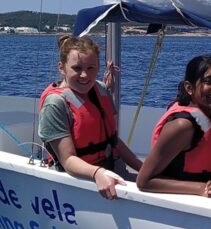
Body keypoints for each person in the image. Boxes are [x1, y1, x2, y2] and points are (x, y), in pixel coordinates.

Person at [38, 34, 142, 201]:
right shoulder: (55, 104)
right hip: (79, 181)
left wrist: (141, 168)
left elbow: (114, 141)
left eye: (91, 68)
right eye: (77, 68)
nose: (85, 75)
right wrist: (97, 173)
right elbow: (68, 159)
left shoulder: (100, 90)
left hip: (112, 168)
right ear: (62, 68)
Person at [137, 55, 211, 203]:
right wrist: (200, 189)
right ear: (189, 88)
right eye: (209, 81)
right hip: (185, 207)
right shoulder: (182, 126)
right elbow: (143, 181)